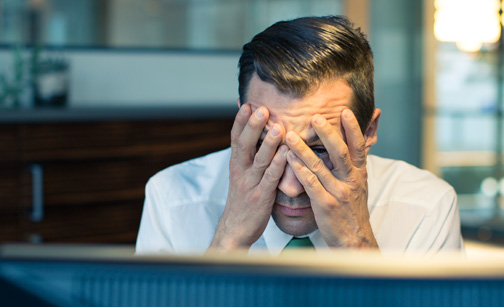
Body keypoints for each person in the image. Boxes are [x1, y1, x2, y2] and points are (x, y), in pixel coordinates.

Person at [136, 16, 463, 255]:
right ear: (241, 125)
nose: (292, 187)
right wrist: (229, 240)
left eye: (320, 151)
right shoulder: (173, 199)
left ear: (369, 131)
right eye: (268, 146)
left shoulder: (426, 206)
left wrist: (355, 243)